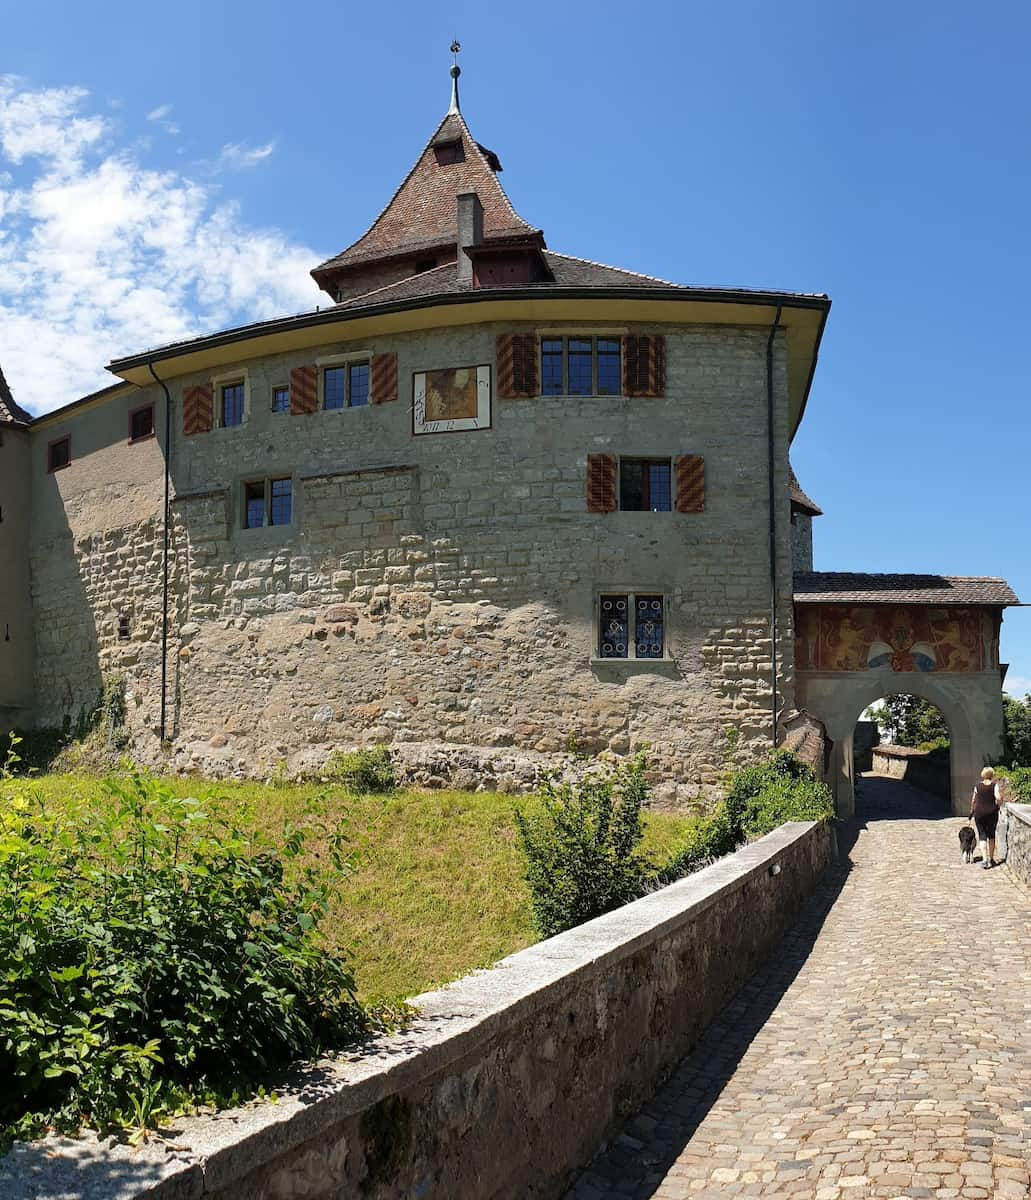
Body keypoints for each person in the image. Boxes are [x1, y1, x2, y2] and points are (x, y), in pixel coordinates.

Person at [970, 767, 1001, 870]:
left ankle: (984, 859)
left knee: (982, 835)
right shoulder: (994, 785)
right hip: (992, 813)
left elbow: (973, 800)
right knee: (991, 835)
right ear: (991, 774)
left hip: (979, 813)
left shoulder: (977, 786)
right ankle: (991, 859)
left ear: (983, 774)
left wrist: (972, 811)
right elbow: (998, 798)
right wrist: (997, 805)